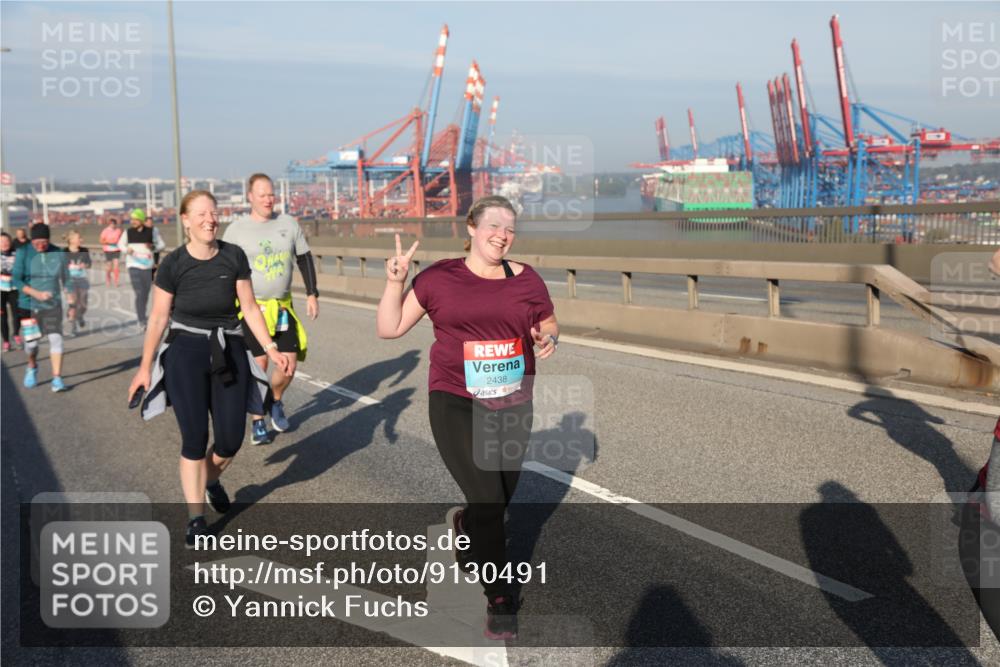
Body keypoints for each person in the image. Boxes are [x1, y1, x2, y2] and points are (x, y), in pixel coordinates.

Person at [376, 195, 559, 640]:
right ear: (472, 229)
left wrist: (548, 336)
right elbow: (390, 327)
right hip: (455, 399)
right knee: (488, 498)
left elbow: (550, 322)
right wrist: (396, 282)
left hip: (513, 402)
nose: (502, 234)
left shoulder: (526, 279)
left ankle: (466, 525)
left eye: (510, 227)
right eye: (494, 224)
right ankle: (500, 596)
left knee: (501, 494)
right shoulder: (440, 277)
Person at [127, 190, 290, 547]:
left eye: (213, 213)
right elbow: (157, 318)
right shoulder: (173, 263)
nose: (209, 220)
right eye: (200, 214)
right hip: (185, 352)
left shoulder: (233, 255)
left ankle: (210, 480)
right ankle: (195, 519)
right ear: (185, 220)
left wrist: (271, 348)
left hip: (228, 348)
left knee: (230, 439)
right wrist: (144, 368)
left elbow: (248, 307)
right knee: (195, 439)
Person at [223, 173, 319, 445]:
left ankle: (274, 400)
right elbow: (225, 267)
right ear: (250, 197)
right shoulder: (236, 230)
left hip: (282, 308)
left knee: (287, 366)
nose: (268, 199)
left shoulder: (288, 224)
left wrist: (312, 293)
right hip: (251, 309)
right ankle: (257, 420)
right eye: (261, 194)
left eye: (271, 194)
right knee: (259, 364)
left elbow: (304, 258)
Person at [11, 223, 70, 391]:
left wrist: (72, 298)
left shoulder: (58, 252)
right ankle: (32, 366)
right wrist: (35, 293)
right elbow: (16, 279)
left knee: (56, 339)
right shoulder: (23, 253)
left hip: (52, 305)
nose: (40, 246)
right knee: (32, 344)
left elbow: (66, 278)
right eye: (36, 243)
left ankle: (57, 378)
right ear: (31, 240)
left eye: (43, 242)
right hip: (28, 305)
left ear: (49, 239)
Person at [118, 208, 164, 330]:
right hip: (133, 265)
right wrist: (126, 249)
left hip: (147, 266)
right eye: (132, 219)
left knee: (145, 293)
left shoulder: (152, 231)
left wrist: (153, 246)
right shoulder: (128, 232)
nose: (133, 221)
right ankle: (141, 320)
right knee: (139, 292)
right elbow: (120, 244)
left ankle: (142, 315)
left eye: (135, 219)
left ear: (141, 220)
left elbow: (162, 245)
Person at [63, 230, 92, 336]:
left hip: (82, 280)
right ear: (71, 240)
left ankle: (80, 315)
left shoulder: (84, 250)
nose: (81, 240)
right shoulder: (64, 252)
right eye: (79, 238)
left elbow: (89, 264)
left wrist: (85, 265)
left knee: (83, 305)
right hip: (69, 281)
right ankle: (73, 327)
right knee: (73, 303)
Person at [1, 232, 22, 351]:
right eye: (1, 241)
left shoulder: (17, 254)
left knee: (16, 313)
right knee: (2, 316)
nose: (4, 244)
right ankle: (6, 341)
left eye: (6, 241)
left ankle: (16, 335)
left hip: (14, 288)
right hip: (1, 290)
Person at [99, 217, 123, 287]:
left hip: (117, 250)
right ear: (109, 224)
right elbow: (101, 241)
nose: (113, 225)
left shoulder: (118, 230)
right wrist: (109, 242)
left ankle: (116, 281)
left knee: (116, 265)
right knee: (109, 267)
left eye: (114, 224)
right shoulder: (105, 231)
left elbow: (121, 239)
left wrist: (119, 242)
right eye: (111, 224)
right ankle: (108, 279)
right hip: (108, 250)